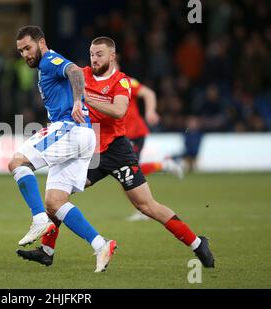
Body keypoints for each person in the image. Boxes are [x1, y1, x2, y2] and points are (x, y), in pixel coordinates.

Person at [16, 36, 215, 268]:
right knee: (57, 198)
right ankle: (47, 250)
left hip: (117, 150)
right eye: (91, 54)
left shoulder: (122, 81)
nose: (94, 59)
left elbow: (119, 111)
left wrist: (85, 98)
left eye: (99, 54)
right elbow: (65, 77)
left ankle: (197, 243)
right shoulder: (83, 75)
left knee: (146, 206)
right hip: (91, 153)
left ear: (112, 56)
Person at [9, 26, 116, 273]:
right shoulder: (44, 67)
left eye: (28, 47)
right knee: (55, 202)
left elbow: (75, 71)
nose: (25, 54)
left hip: (70, 128)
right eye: (21, 51)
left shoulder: (49, 60)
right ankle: (101, 245)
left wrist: (78, 100)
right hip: (83, 135)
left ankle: (38, 220)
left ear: (41, 42)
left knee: (17, 162)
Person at [123, 76, 184, 222]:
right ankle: (164, 165)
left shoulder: (125, 81)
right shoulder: (100, 84)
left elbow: (149, 93)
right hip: (121, 134)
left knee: (129, 171)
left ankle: (144, 209)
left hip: (134, 133)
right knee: (126, 172)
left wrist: (150, 111)